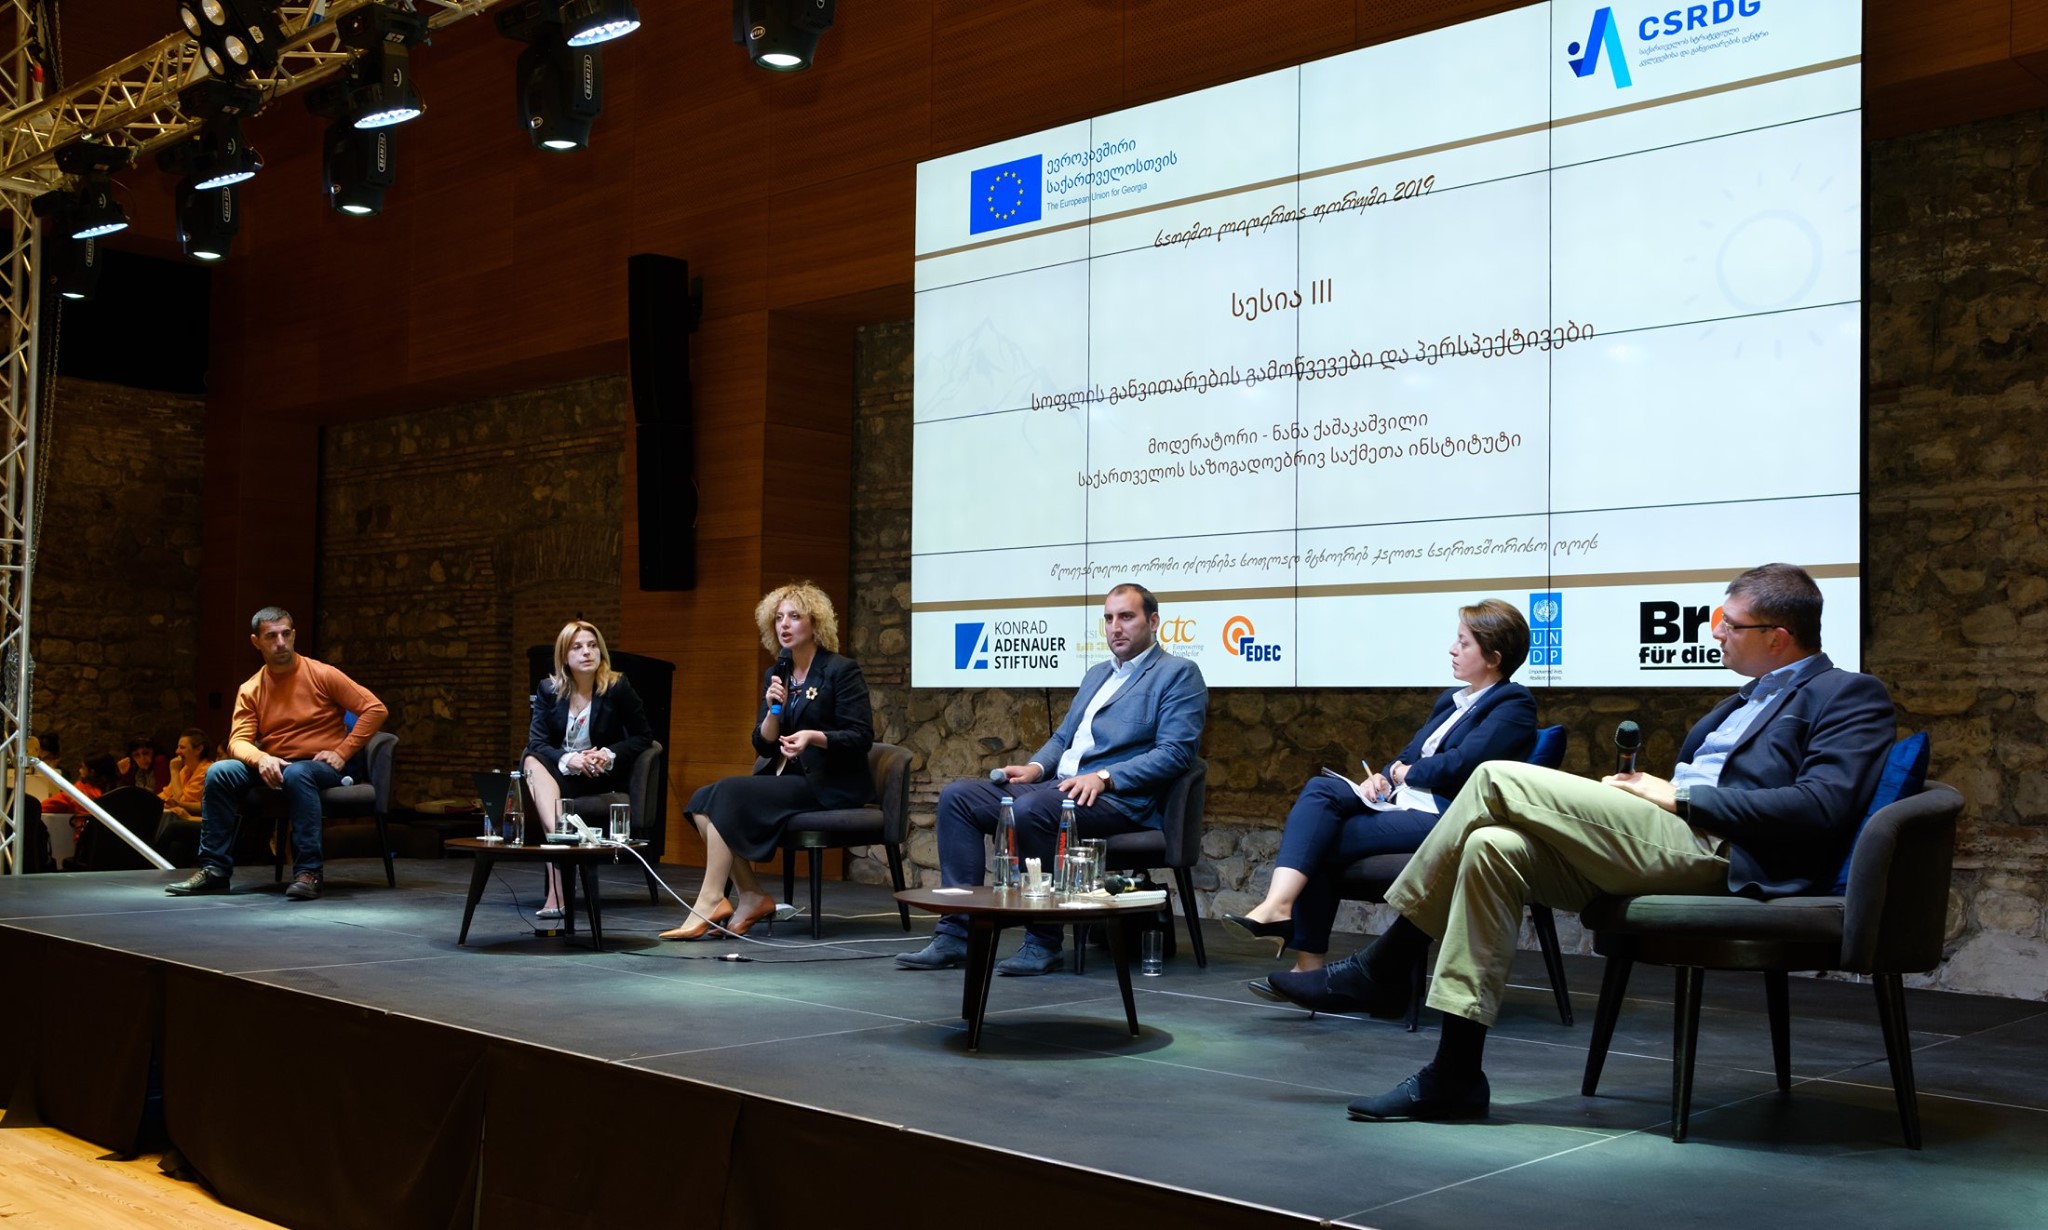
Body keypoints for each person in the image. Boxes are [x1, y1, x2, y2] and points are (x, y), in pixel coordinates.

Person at [1261, 564, 1896, 1123]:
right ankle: (1454, 1076)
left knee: (1495, 777)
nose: (1715, 633)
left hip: (1725, 854)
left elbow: (1821, 807)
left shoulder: (1847, 694)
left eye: (1727, 623)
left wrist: (1679, 797)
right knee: (1491, 849)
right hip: (1668, 836)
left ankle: (1382, 967)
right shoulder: (1741, 701)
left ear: (1777, 637)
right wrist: (1651, 793)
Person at [897, 582, 1209, 976]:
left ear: (1153, 622)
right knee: (958, 797)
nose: (1115, 627)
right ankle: (956, 934)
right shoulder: (1098, 674)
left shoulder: (1178, 673)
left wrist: (1105, 777)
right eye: (1109, 618)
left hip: (1120, 800)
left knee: (1033, 809)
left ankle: (1043, 941)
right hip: (1060, 788)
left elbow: (1176, 753)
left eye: (1126, 617)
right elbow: (1063, 738)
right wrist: (1036, 768)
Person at [1226, 600, 1536, 983]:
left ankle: (1303, 957)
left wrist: (1406, 773)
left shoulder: (1514, 704)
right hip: (1400, 803)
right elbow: (1405, 756)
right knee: (1321, 789)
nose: (1452, 649)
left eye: (1464, 642)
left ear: (1493, 658)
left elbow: (1464, 763)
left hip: (1445, 817)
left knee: (1320, 839)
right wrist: (1385, 777)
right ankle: (1278, 907)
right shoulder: (1451, 701)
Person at [661, 582, 875, 941]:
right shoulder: (778, 673)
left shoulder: (840, 670)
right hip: (786, 777)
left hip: (829, 782)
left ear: (815, 623)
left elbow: (861, 736)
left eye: (795, 616)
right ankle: (750, 895)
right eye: (778, 618)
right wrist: (774, 709)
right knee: (700, 802)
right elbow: (763, 744)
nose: (784, 625)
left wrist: (813, 737)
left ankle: (710, 900)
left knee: (727, 792)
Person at [166, 606, 388, 901]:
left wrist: (343, 751)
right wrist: (262, 759)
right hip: (275, 763)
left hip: (319, 765)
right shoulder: (251, 688)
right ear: (256, 642)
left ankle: (309, 873)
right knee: (219, 772)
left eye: (285, 634)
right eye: (271, 636)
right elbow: (238, 741)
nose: (280, 642)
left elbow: (375, 709)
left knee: (298, 772)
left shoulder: (322, 674)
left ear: (294, 635)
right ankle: (214, 870)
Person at [522, 620, 654, 918]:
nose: (587, 652)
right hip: (558, 774)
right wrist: (568, 759)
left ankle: (557, 891)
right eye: (578, 647)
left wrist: (608, 754)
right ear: (564, 656)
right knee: (531, 762)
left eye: (592, 646)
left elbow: (643, 736)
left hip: (596, 777)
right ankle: (559, 872)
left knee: (546, 796)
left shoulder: (617, 687)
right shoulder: (548, 689)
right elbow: (537, 743)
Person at [159, 728, 214, 821]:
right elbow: (166, 794)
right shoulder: (186, 769)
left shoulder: (207, 771)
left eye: (182, 747)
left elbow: (180, 801)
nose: (177, 751)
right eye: (178, 747)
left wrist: (174, 771)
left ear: (198, 749)